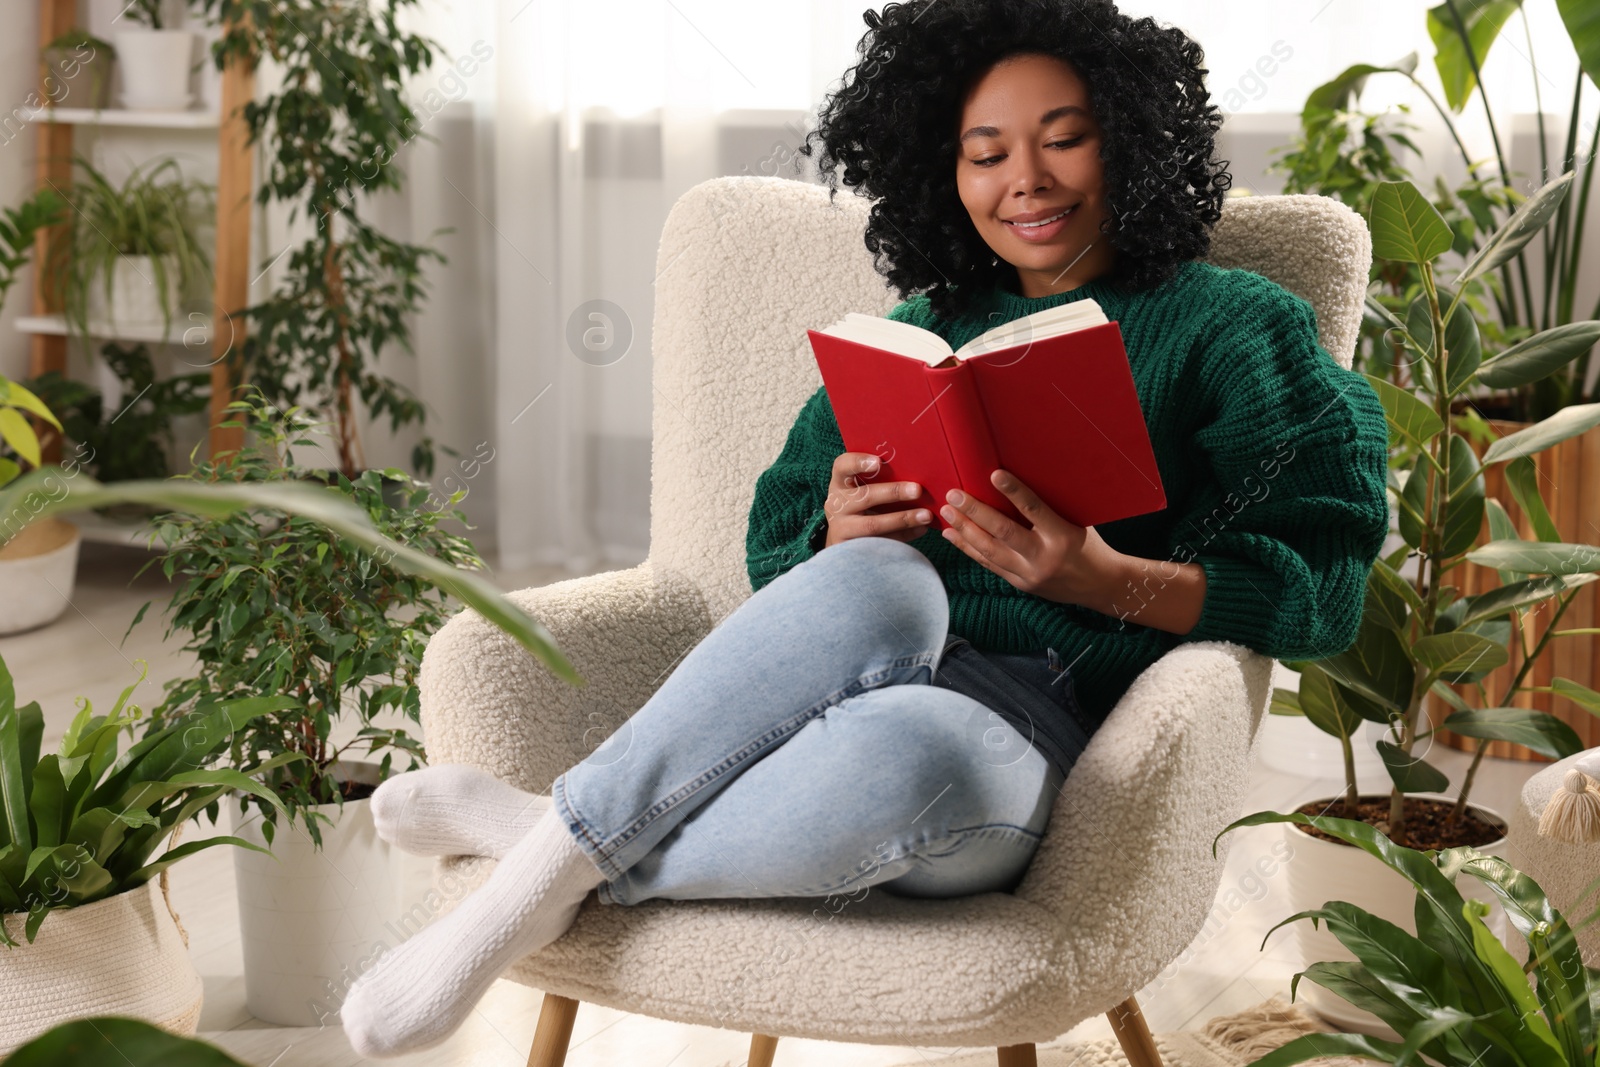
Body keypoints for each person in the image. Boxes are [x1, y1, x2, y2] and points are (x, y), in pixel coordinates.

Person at [340, 0, 1392, 1056]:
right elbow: (775, 546)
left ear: (1134, 140)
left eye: (1064, 139)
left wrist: (1102, 578)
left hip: (1026, 740)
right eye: (984, 153)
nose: (1022, 178)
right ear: (944, 168)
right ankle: (565, 849)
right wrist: (834, 535)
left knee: (913, 757)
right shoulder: (919, 330)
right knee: (880, 580)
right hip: (828, 698)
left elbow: (1322, 587)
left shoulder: (1237, 321)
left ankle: (536, 842)